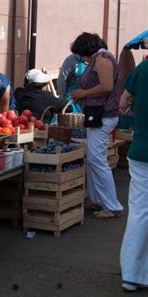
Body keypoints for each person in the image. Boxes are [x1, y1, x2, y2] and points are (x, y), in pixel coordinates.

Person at [70, 32, 123, 219]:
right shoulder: (100, 57)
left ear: (86, 49)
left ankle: (112, 206)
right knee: (94, 158)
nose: (82, 59)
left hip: (104, 115)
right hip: (99, 116)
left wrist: (83, 94)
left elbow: (107, 86)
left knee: (98, 160)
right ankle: (98, 200)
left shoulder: (101, 58)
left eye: (81, 54)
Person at [119, 59, 148, 292]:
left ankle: (131, 275)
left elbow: (123, 103)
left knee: (139, 212)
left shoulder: (143, 69)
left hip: (140, 150)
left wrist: (136, 113)